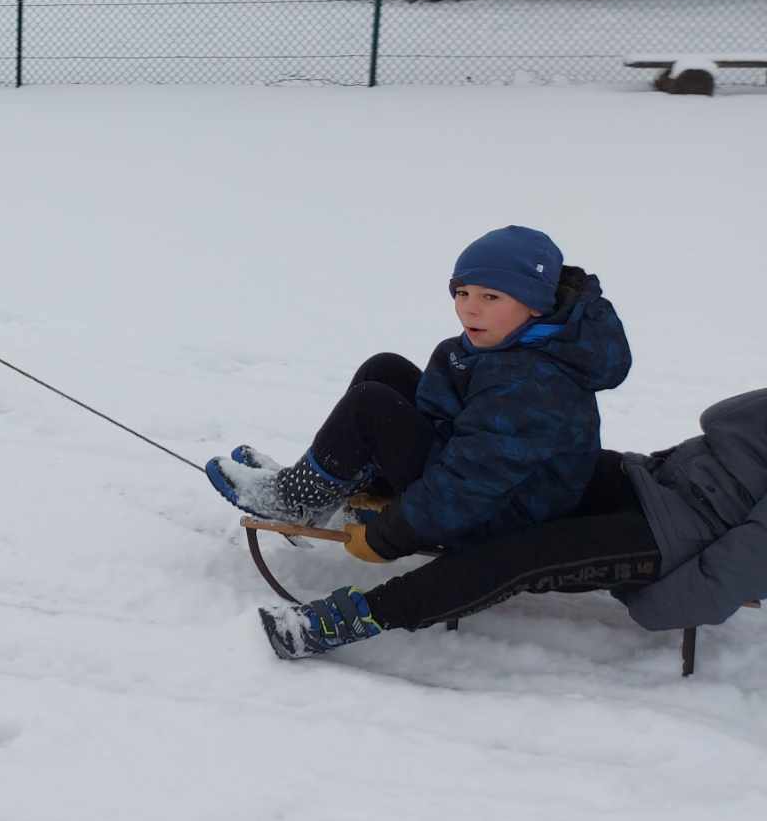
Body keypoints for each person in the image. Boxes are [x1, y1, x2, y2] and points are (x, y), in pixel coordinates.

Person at [203, 225, 633, 657]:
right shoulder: (514, 347)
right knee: (385, 370)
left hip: (501, 511)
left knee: (371, 406)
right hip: (484, 475)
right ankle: (335, 484)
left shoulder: (533, 384)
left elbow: (470, 483)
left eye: (491, 298)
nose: (470, 310)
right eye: (463, 293)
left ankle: (296, 500)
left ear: (536, 307)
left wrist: (394, 533)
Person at [257, 389, 767, 659]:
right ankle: (397, 504)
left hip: (671, 538)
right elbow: (718, 425)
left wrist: (659, 598)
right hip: (648, 479)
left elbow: (753, 554)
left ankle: (356, 618)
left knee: (522, 554)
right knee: (528, 468)